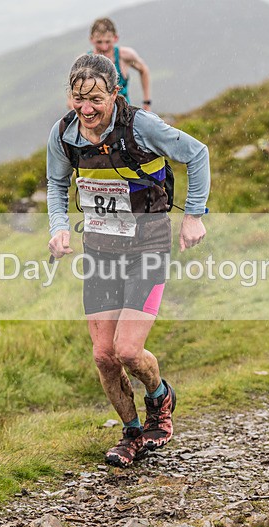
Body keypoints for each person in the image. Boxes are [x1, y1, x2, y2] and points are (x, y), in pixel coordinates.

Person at [46, 54, 210, 468]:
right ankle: (132, 432)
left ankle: (160, 397)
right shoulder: (64, 134)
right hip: (101, 251)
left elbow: (197, 153)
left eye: (95, 99)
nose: (86, 109)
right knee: (103, 355)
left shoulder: (141, 126)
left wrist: (193, 215)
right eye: (78, 98)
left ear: (115, 93)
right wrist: (58, 227)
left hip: (148, 247)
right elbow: (56, 183)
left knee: (128, 351)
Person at [89, 18, 152, 112]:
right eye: (99, 42)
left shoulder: (125, 55)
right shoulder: (87, 61)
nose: (104, 47)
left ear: (115, 38)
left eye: (107, 42)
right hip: (96, 113)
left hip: (123, 112)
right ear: (91, 39)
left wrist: (146, 101)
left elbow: (144, 70)